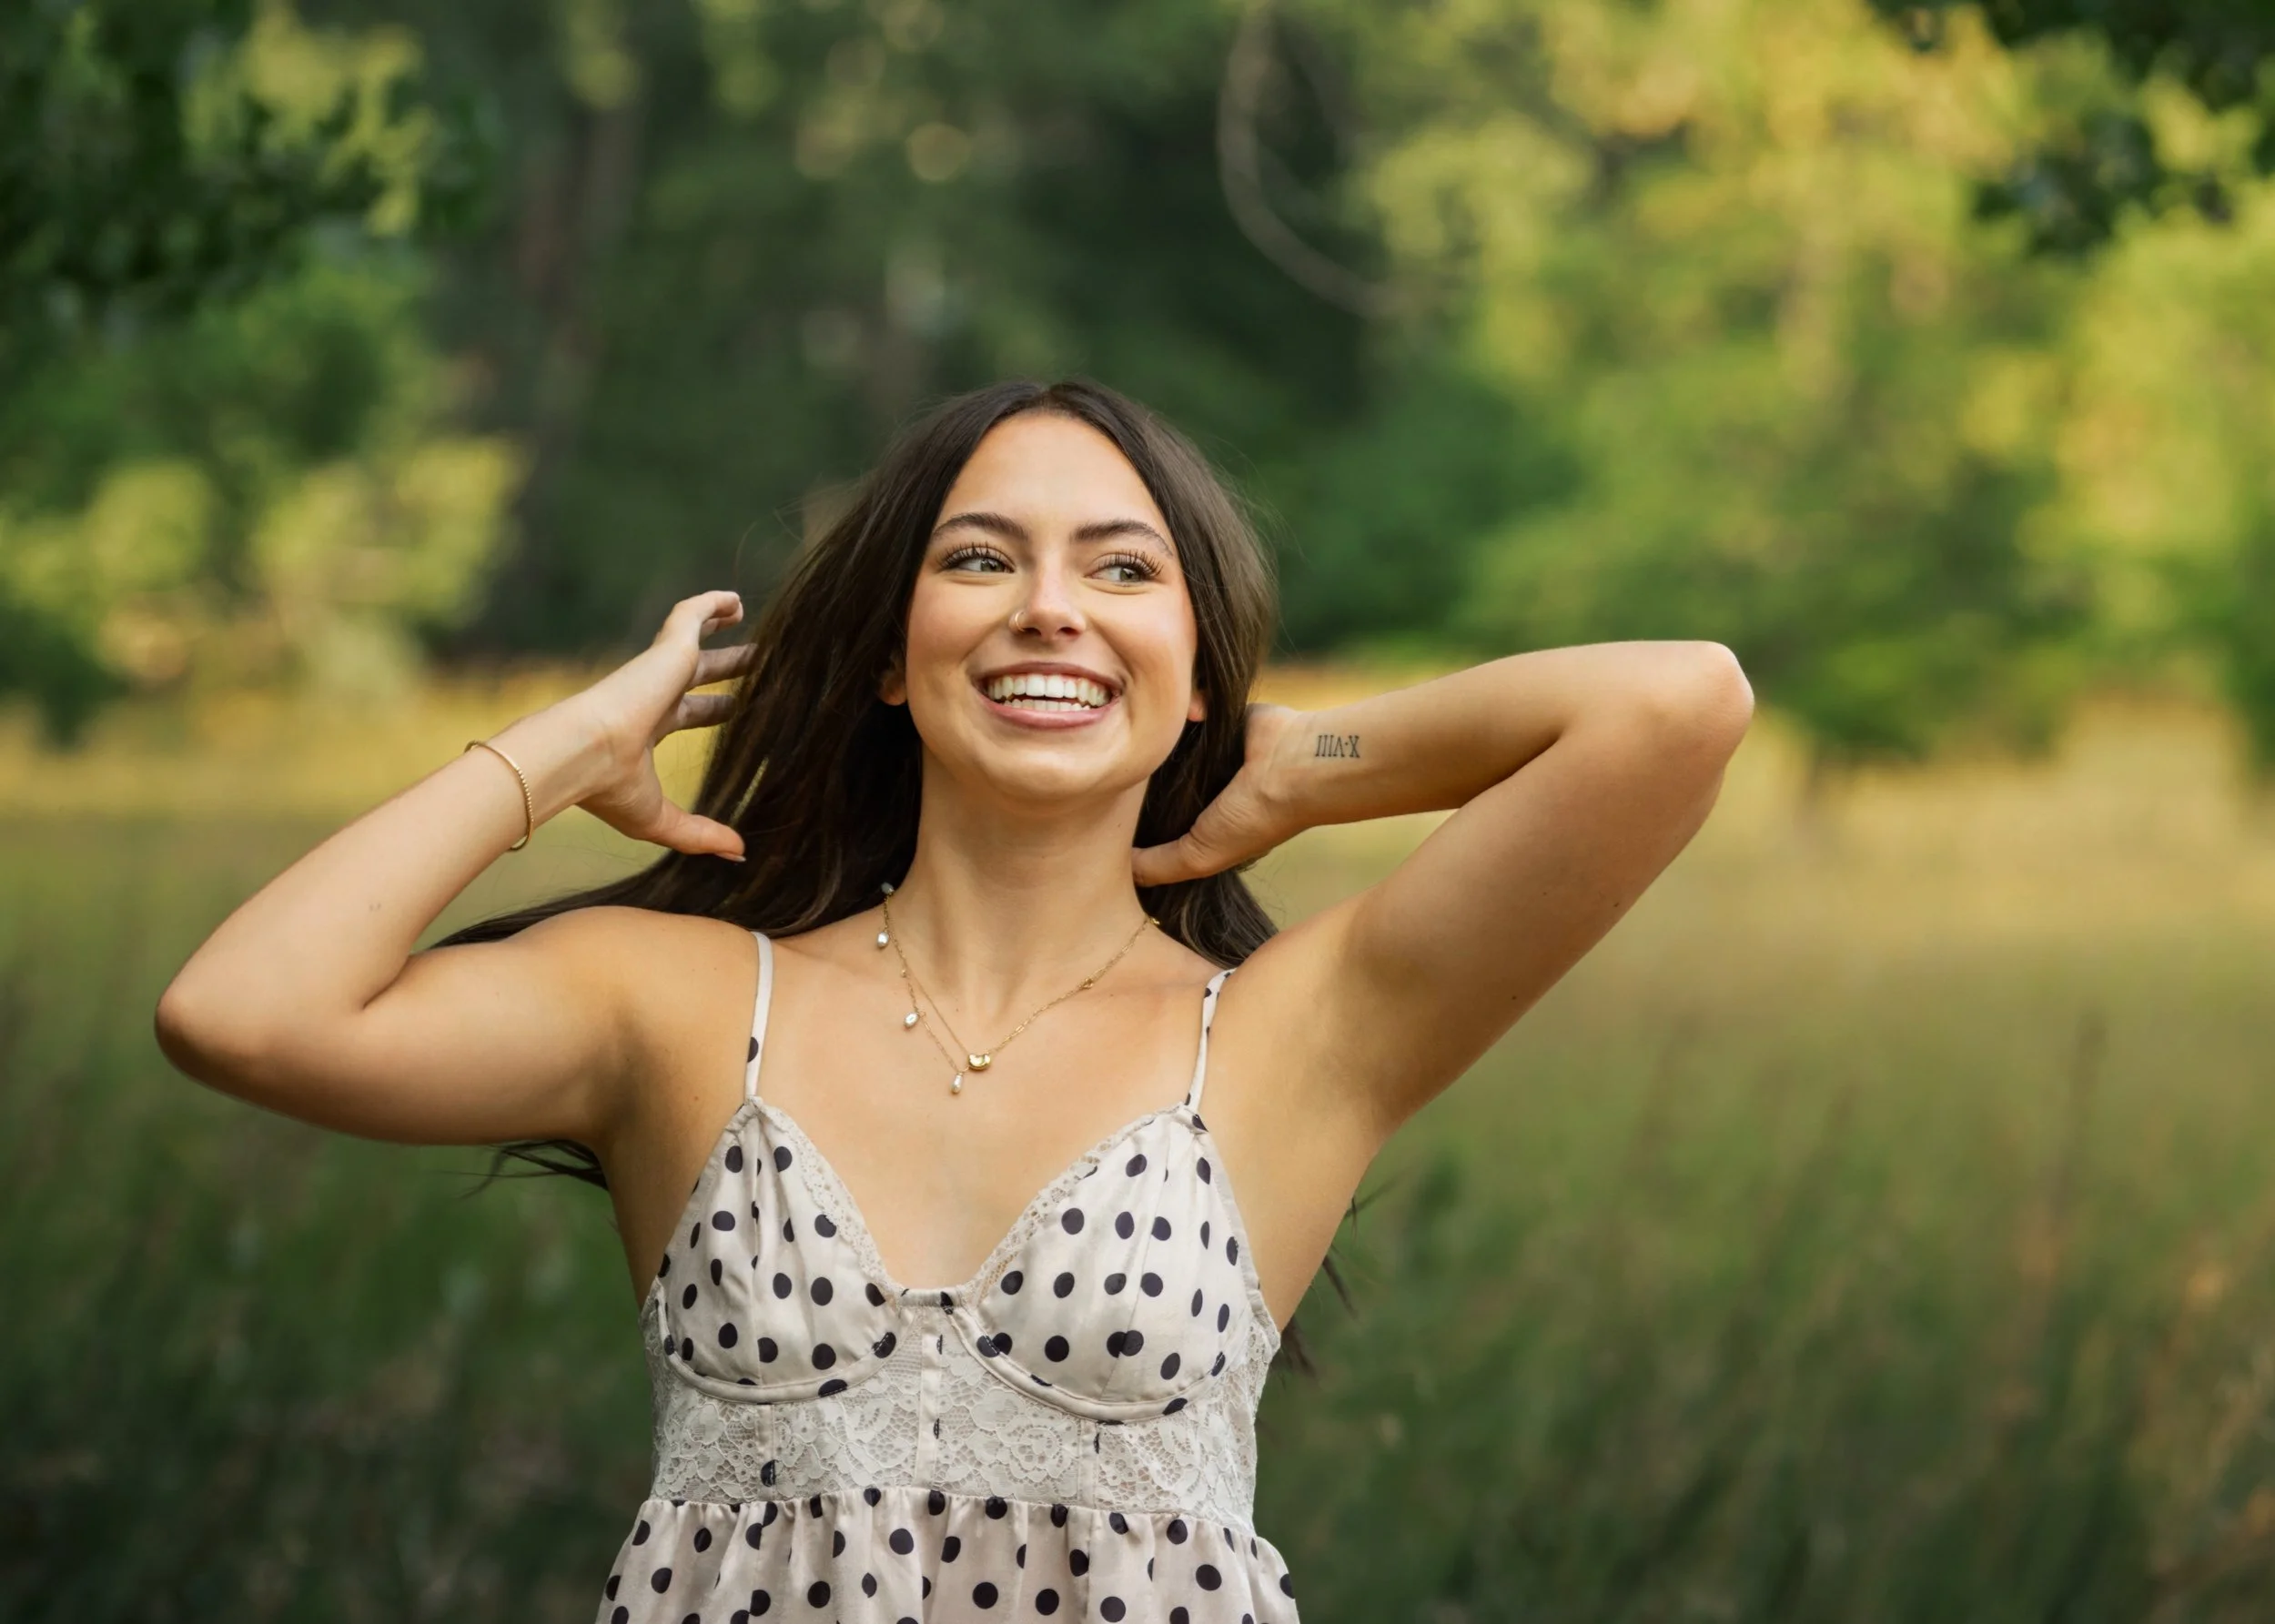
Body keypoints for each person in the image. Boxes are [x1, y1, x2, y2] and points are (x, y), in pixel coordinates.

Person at [154, 378, 1752, 1621]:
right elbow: (242, 1013)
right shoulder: (685, 1004)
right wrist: (563, 752)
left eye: (1122, 571)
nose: (1049, 607)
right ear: (889, 659)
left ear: (1198, 672)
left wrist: (1312, 763)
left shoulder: (1289, 1034)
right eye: (980, 560)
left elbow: (1680, 705)